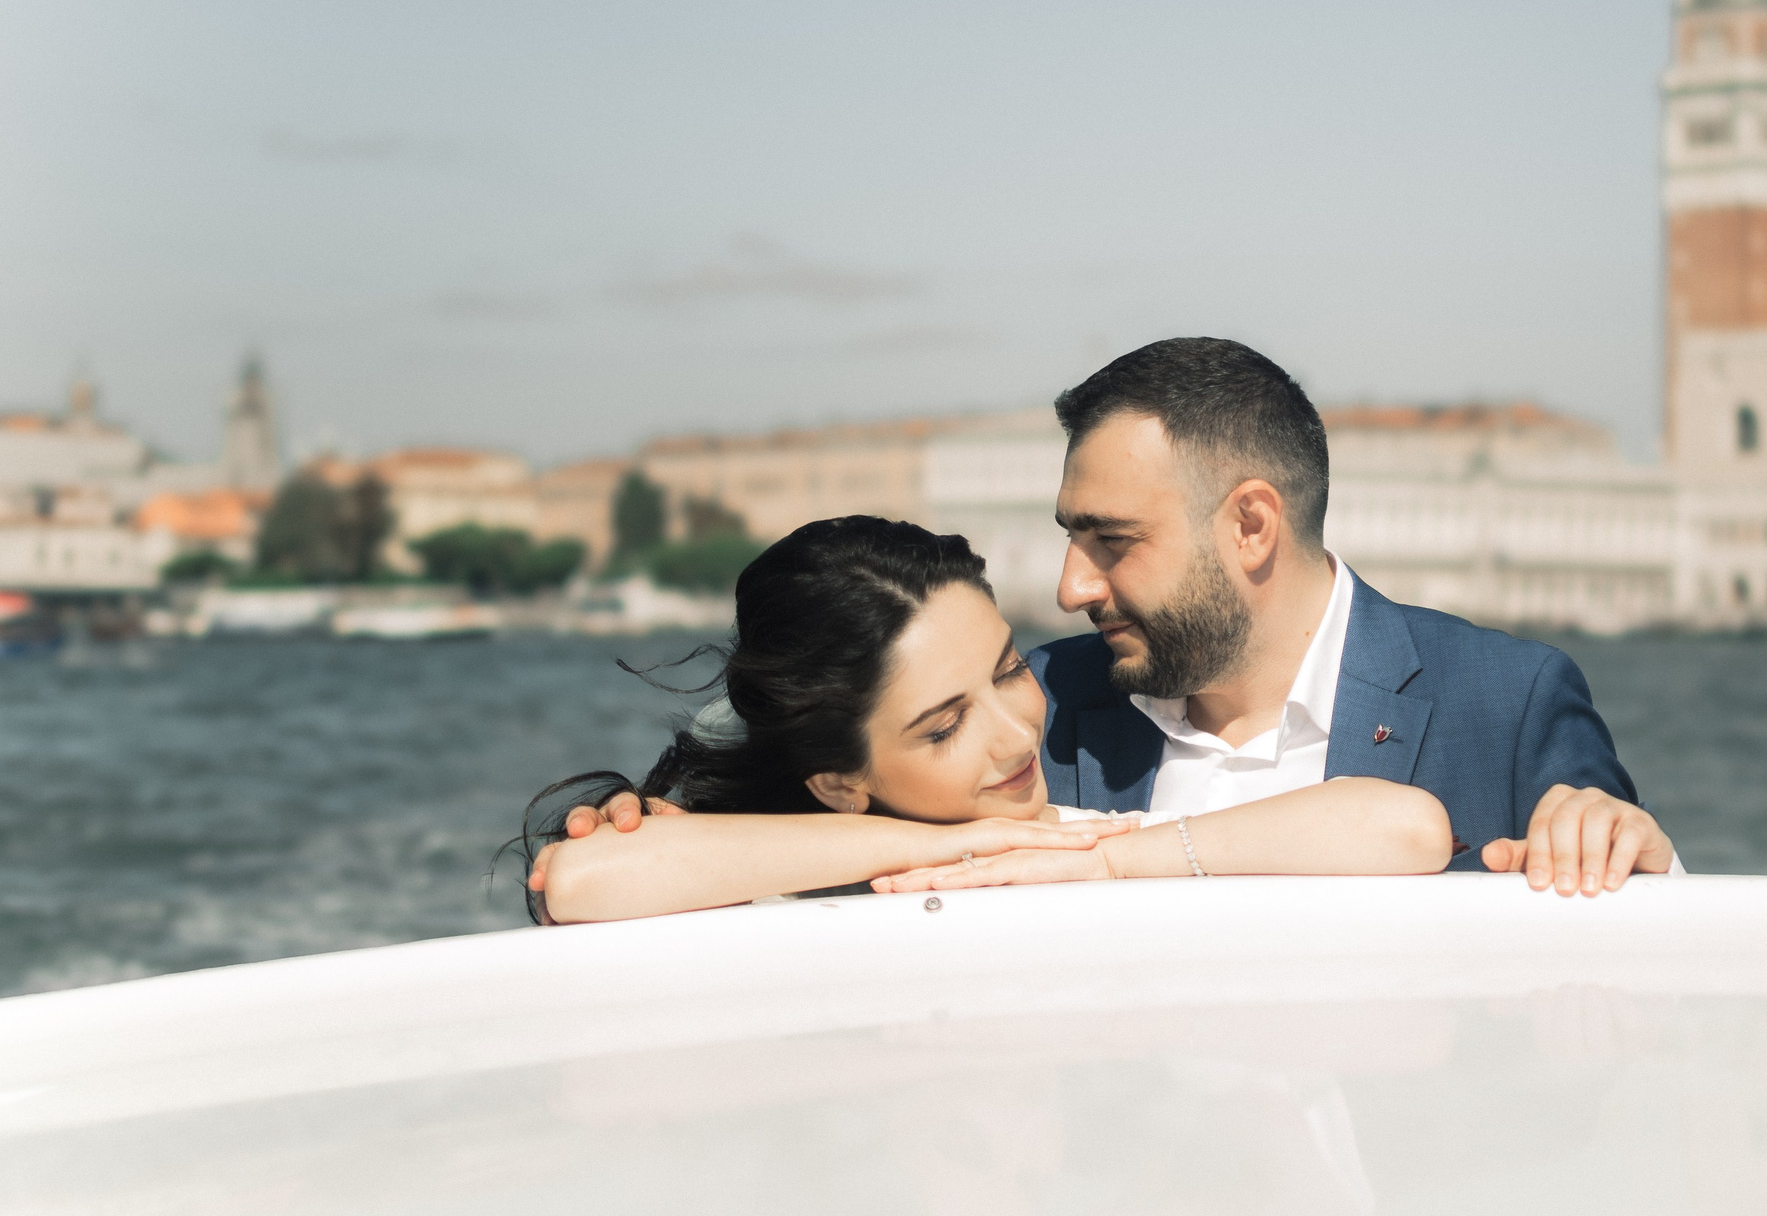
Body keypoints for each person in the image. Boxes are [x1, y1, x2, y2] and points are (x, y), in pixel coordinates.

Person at [553, 337, 1676, 907]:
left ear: (1249, 528)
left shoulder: (1509, 699)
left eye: (1110, 540)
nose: (1072, 585)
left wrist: (1630, 850)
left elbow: (1641, 941)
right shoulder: (1027, 717)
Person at [526, 514, 1453, 923]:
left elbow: (1407, 827)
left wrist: (1104, 855)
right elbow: (578, 883)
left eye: (1009, 669)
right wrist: (936, 849)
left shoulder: (1086, 847)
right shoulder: (814, 874)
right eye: (941, 726)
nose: (1014, 737)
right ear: (840, 782)